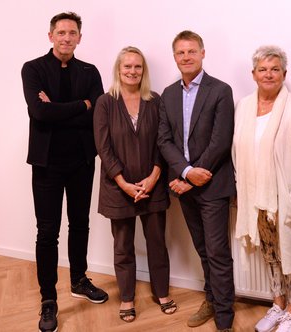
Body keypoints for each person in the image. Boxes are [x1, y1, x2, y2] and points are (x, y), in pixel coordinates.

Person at [21, 11, 108, 332]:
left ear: (79, 38)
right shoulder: (33, 69)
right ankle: (48, 299)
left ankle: (78, 280)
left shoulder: (89, 70)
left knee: (80, 224)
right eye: (61, 32)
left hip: (82, 161)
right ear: (50, 36)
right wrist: (81, 105)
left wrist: (61, 109)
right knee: (47, 232)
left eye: (72, 33)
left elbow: (97, 114)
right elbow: (39, 112)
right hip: (46, 164)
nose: (66, 38)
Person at [232, 45, 291, 332]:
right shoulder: (244, 106)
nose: (268, 74)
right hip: (255, 196)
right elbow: (237, 150)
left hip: (284, 196)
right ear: (253, 74)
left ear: (284, 73)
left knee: (289, 253)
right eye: (262, 69)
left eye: (275, 69)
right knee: (269, 253)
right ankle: (277, 304)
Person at [157, 30, 235, 332]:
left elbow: (220, 142)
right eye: (180, 52)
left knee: (217, 251)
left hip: (213, 185)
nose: (186, 57)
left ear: (203, 53)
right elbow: (164, 140)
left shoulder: (221, 90)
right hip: (185, 184)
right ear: (174, 57)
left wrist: (193, 175)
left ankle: (225, 317)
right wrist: (187, 173)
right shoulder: (168, 93)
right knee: (202, 249)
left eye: (191, 51)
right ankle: (212, 300)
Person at [93, 46, 177, 323]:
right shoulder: (106, 102)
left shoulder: (155, 100)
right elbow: (103, 149)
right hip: (118, 188)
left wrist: (154, 176)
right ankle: (127, 298)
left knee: (156, 243)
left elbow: (161, 141)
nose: (132, 71)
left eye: (137, 67)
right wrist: (123, 182)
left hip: (153, 185)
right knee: (123, 247)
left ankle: (162, 292)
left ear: (144, 71)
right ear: (119, 70)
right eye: (127, 66)